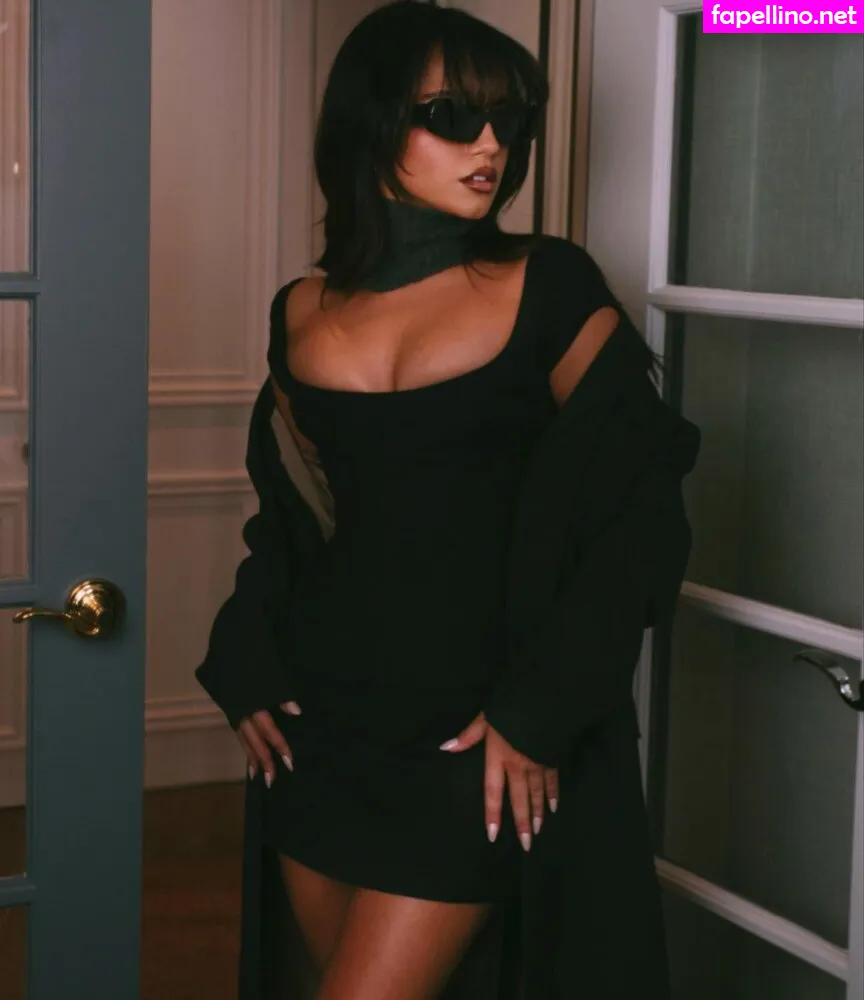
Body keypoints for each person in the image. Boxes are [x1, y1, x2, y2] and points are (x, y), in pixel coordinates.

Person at [196, 3, 700, 999]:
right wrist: (246, 655)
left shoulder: (550, 288)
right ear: (372, 121)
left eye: (509, 121)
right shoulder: (300, 310)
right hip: (322, 723)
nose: (491, 146)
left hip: (476, 734)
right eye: (453, 116)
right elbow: (293, 525)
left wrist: (542, 709)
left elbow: (642, 520)